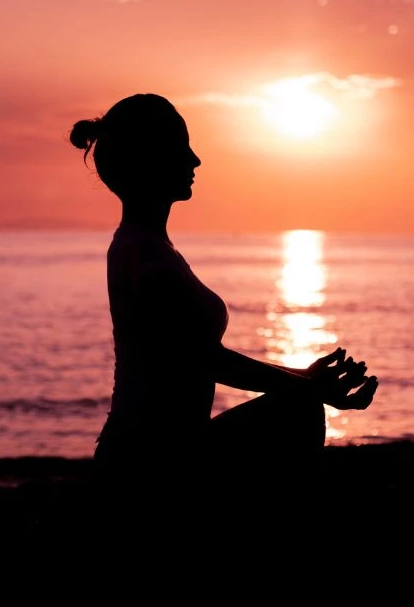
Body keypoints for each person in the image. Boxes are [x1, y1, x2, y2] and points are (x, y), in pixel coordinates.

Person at [68, 93, 378, 523]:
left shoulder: (150, 247)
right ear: (151, 159)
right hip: (145, 464)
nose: (196, 160)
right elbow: (200, 359)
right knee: (299, 408)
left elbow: (196, 357)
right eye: (182, 147)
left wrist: (302, 378)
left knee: (298, 404)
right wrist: (309, 389)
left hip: (169, 452)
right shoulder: (144, 254)